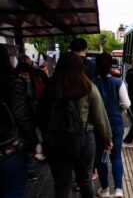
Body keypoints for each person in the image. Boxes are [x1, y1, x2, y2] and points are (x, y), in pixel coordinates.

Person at [37, 52, 112, 198]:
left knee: (61, 184)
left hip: (56, 140)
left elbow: (41, 117)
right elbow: (100, 118)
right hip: (84, 138)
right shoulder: (89, 87)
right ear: (80, 67)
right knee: (85, 180)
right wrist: (107, 139)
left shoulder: (49, 90)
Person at [0, 46, 38, 197]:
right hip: (8, 148)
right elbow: (22, 117)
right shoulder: (12, 84)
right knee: (12, 191)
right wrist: (32, 144)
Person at [93, 53, 130, 198]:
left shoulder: (92, 83)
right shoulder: (118, 82)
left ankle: (105, 189)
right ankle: (119, 189)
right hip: (115, 122)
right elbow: (126, 104)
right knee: (116, 156)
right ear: (110, 65)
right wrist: (118, 109)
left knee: (101, 156)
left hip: (98, 125)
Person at [70, 38, 99, 182]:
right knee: (86, 167)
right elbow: (100, 116)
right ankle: (86, 176)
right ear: (85, 49)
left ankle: (76, 178)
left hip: (66, 124)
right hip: (85, 121)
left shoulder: (64, 65)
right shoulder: (90, 65)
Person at [15, 62, 45, 181]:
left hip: (34, 116)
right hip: (25, 120)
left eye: (26, 74)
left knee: (33, 140)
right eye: (21, 75)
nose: (24, 77)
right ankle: (28, 168)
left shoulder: (35, 81)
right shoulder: (15, 86)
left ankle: (30, 169)